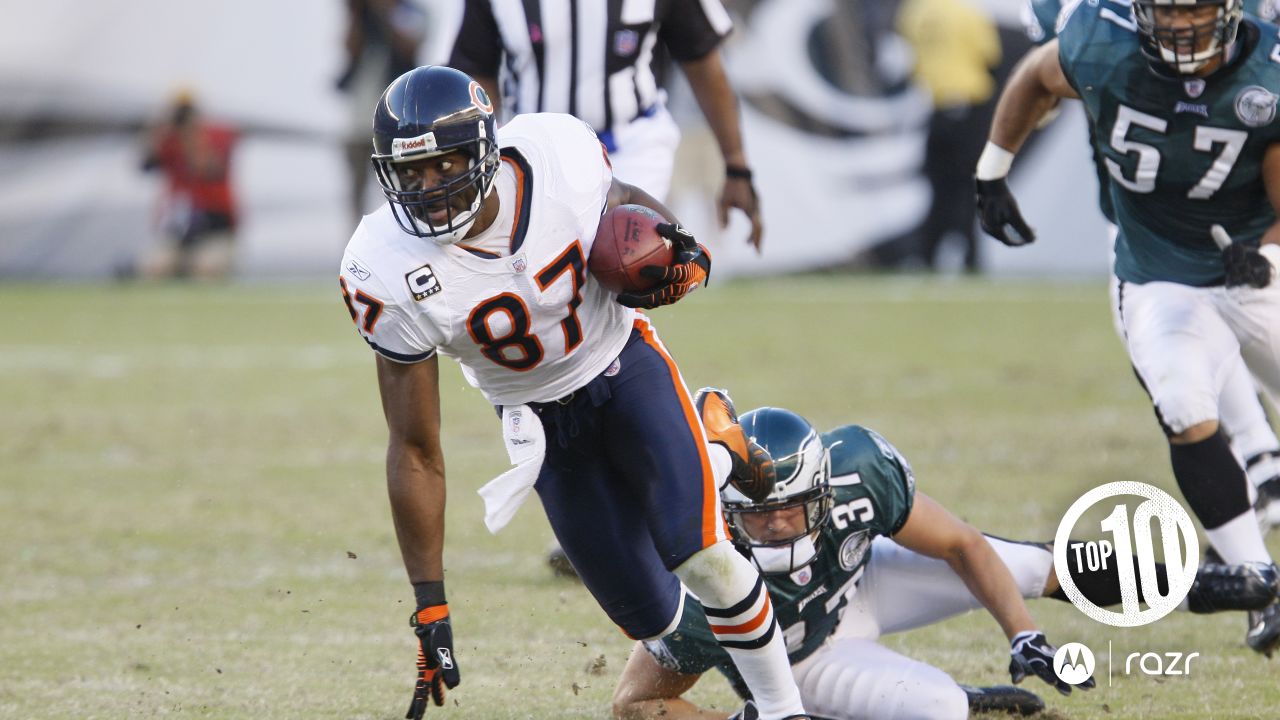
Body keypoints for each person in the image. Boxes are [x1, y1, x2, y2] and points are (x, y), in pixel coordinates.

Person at [336, 65, 809, 720]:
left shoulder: (554, 156)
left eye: (442, 167)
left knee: (702, 555)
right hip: (539, 426)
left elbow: (622, 198)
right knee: (664, 632)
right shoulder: (383, 264)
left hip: (622, 367)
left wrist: (679, 246)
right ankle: (720, 453)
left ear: (483, 152)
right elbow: (415, 448)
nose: (428, 190)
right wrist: (431, 604)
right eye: (408, 174)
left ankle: (788, 710)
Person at [611, 402, 1279, 720]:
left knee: (1027, 566)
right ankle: (969, 703)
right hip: (803, 659)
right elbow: (634, 706)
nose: (781, 522)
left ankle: (1214, 585)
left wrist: (1024, 634)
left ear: (823, 486)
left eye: (794, 505)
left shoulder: (858, 472)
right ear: (728, 513)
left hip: (861, 584)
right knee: (938, 711)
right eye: (761, 513)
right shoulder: (704, 579)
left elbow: (962, 543)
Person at [973, 0, 1280, 656]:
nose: (1179, 26)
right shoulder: (1099, 38)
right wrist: (992, 171)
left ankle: (1263, 457)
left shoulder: (1268, 64)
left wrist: (1270, 250)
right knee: (1180, 398)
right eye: (1165, 10)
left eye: (1195, 9)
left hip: (1255, 263)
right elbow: (1034, 74)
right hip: (1158, 269)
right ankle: (1261, 584)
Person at [1020, 0, 1280, 530]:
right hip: (1150, 208)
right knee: (1178, 347)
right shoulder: (1094, 28)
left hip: (1248, 205)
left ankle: (1260, 456)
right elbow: (1047, 72)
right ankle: (1261, 459)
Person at [446, 0, 763, 249]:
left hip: (631, 143)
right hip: (534, 152)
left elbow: (702, 60)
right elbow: (475, 75)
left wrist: (737, 165)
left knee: (620, 258)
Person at [897, 0, 1002, 272]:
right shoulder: (966, 12)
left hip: (937, 108)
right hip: (970, 108)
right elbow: (990, 58)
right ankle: (970, 260)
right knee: (971, 188)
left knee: (939, 188)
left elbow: (909, 60)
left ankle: (928, 256)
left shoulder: (914, 12)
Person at [335, 0, 427, 224]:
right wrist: (356, 13)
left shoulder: (409, 11)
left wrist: (383, 10)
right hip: (359, 120)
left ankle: (408, 230)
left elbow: (410, 45)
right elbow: (349, 48)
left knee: (402, 184)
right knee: (356, 189)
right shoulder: (362, 16)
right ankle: (358, 238)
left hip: (397, 119)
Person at [136, 91, 238, 279]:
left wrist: (191, 135)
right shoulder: (168, 140)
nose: (181, 120)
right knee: (155, 268)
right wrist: (156, 131)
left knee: (206, 269)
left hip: (214, 231)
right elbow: (145, 165)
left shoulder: (216, 135)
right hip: (177, 232)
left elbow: (209, 168)